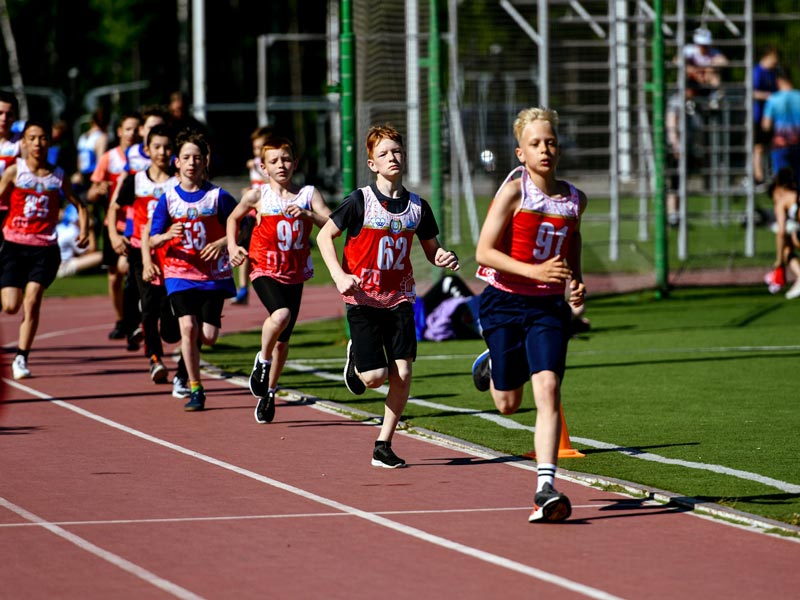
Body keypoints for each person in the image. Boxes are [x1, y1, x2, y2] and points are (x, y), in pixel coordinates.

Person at [317, 124, 460, 468]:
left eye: (396, 151)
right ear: (372, 164)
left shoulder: (418, 206)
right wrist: (339, 276)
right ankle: (356, 356)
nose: (391, 157)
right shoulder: (359, 201)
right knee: (374, 378)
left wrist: (443, 256)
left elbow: (432, 250)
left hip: (400, 298)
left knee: (404, 373)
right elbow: (324, 237)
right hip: (363, 298)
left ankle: (383, 444)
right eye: (383, 153)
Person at [470, 107, 586, 523]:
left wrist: (575, 280)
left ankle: (545, 488)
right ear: (521, 153)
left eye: (550, 142)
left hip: (548, 307)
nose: (545, 149)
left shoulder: (574, 199)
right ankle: (492, 363)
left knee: (549, 390)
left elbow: (573, 239)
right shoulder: (514, 193)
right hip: (504, 301)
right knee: (507, 403)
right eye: (535, 144)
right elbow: (483, 252)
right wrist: (533, 271)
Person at [227, 135, 330, 423]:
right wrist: (233, 246)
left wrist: (308, 214)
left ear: (295, 162)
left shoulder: (308, 194)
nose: (281, 165)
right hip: (263, 267)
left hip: (294, 272)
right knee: (280, 314)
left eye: (286, 159)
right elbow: (233, 218)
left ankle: (269, 391)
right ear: (263, 167)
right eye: (274, 161)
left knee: (283, 341)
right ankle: (262, 359)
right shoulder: (257, 196)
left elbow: (332, 222)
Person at [147, 130, 236, 411]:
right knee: (187, 327)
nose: (191, 163)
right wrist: (167, 235)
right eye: (186, 157)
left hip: (212, 275)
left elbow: (242, 226)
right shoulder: (168, 199)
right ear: (177, 162)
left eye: (197, 157)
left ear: (205, 161)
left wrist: (223, 243)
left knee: (208, 336)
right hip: (179, 273)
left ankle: (189, 362)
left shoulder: (218, 197)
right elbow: (152, 238)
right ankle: (195, 388)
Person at [0, 120, 89, 379]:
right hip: (14, 246)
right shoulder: (14, 172)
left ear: (49, 142)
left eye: (42, 138)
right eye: (32, 138)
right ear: (24, 143)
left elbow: (79, 204)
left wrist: (84, 230)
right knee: (11, 306)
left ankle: (21, 357)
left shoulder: (58, 175)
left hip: (44, 248)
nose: (37, 143)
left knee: (33, 299)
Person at [108, 124, 182, 383]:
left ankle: (166, 332)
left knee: (171, 327)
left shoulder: (179, 181)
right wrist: (114, 235)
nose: (162, 152)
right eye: (157, 147)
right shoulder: (135, 181)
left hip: (173, 253)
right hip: (142, 252)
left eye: (167, 147)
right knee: (149, 307)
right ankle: (154, 358)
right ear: (147, 150)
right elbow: (114, 209)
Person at [88, 112, 141, 341]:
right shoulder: (109, 158)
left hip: (136, 224)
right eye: (128, 128)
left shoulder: (145, 158)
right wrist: (99, 191)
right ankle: (121, 320)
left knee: (127, 269)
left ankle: (135, 318)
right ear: (119, 131)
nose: (132, 133)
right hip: (113, 223)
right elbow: (91, 192)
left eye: (137, 129)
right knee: (113, 277)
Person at [232, 126, 273, 306]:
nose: (257, 152)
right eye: (255, 148)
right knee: (244, 250)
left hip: (268, 214)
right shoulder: (255, 165)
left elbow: (272, 183)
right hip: (252, 214)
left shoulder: (271, 165)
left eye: (261, 148)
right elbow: (257, 187)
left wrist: (259, 168)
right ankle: (242, 289)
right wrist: (249, 190)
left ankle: (268, 283)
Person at [666, 83, 705, 226]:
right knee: (674, 183)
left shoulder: (689, 103)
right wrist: (675, 145)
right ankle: (672, 214)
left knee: (681, 182)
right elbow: (671, 123)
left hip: (686, 148)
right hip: (677, 149)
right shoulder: (676, 101)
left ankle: (677, 214)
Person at [765, 167, 800, 299]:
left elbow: (781, 233)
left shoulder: (783, 200)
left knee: (786, 247)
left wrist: (779, 261)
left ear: (778, 187)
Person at [761, 68, 800, 180]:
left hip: (780, 143)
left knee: (782, 180)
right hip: (798, 143)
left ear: (778, 80)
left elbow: (766, 126)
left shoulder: (773, 99)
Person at [753, 46, 780, 185]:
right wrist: (770, 97)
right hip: (758, 115)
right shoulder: (757, 72)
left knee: (772, 145)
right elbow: (752, 92)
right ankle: (758, 177)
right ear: (766, 56)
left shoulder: (773, 72)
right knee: (758, 146)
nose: (776, 61)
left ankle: (771, 174)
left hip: (771, 116)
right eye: (774, 58)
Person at [682, 27, 728, 107]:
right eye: (701, 44)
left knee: (714, 76)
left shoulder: (713, 52)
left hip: (707, 80)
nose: (703, 47)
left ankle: (714, 97)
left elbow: (724, 61)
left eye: (705, 45)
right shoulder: (689, 50)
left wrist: (709, 67)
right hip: (693, 80)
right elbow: (677, 60)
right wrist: (693, 70)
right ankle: (689, 101)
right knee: (687, 73)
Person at [56, 203, 102, 278]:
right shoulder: (72, 232)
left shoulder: (61, 227)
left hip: (55, 265)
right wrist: (90, 229)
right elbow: (92, 251)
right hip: (62, 268)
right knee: (100, 256)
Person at [0, 92, 21, 237]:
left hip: (11, 209)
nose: (4, 119)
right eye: (0, 113)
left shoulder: (21, 143)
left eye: (9, 114)